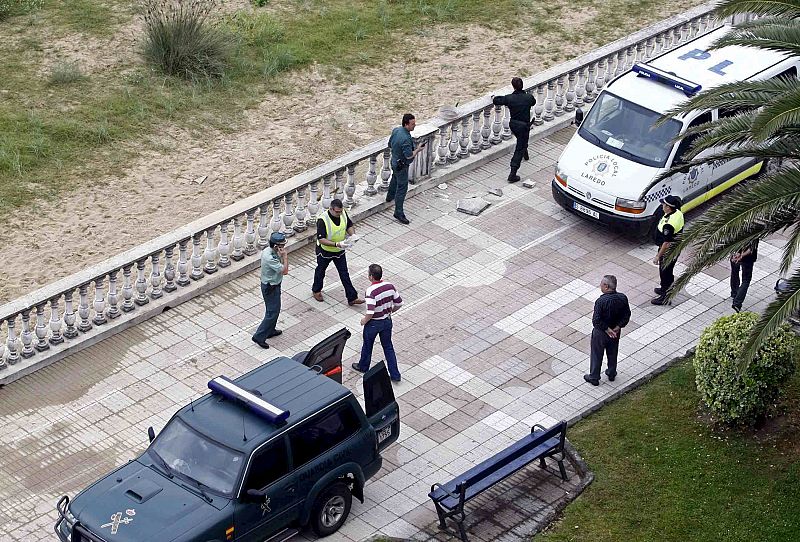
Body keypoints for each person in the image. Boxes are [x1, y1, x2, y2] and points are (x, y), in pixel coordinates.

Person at [351, 264, 403, 382]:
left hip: (373, 324)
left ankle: (363, 366)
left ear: (371, 276)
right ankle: (395, 375)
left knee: (368, 345)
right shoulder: (390, 286)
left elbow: (370, 311)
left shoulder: (370, 291)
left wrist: (364, 320)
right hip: (387, 321)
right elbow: (399, 303)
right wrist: (390, 311)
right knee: (388, 347)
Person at [312, 198, 364, 305]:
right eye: (337, 212)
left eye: (340, 211)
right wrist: (336, 244)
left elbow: (349, 225)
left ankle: (352, 297)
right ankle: (316, 290)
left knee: (344, 273)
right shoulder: (323, 220)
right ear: (331, 209)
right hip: (325, 251)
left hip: (339, 250)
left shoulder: (343, 213)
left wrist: (353, 235)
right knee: (320, 271)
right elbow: (321, 239)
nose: (339, 214)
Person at [584, 275, 631, 386]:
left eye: (601, 284)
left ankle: (594, 376)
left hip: (601, 332)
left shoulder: (600, 301)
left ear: (606, 286)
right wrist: (618, 327)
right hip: (616, 331)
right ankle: (611, 372)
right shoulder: (622, 298)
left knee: (597, 354)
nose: (600, 285)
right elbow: (627, 315)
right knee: (613, 352)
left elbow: (596, 320)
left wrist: (607, 329)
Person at [492, 77, 536, 183]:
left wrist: (494, 96)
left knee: (522, 140)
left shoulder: (509, 98)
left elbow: (496, 101)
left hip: (513, 125)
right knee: (520, 147)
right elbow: (533, 102)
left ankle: (525, 153)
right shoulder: (528, 98)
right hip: (524, 126)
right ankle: (512, 174)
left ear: (513, 86)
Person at [387, 113, 427, 225]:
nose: (414, 125)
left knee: (394, 177)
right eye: (412, 124)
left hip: (394, 160)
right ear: (406, 124)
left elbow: (389, 144)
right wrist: (418, 149)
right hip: (402, 165)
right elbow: (409, 155)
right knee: (402, 188)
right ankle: (398, 212)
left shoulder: (396, 130)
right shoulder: (405, 138)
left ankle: (389, 196)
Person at [251, 232, 288, 349]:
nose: (284, 247)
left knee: (274, 310)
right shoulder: (270, 257)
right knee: (272, 312)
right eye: (282, 245)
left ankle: (270, 330)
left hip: (274, 283)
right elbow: (285, 270)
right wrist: (285, 256)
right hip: (270, 286)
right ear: (276, 246)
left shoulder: (269, 250)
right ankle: (259, 336)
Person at [651, 195, 685, 305]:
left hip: (668, 251)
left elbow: (666, 243)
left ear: (668, 207)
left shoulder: (669, 225)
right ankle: (665, 289)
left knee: (665, 272)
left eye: (664, 204)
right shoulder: (677, 212)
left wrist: (658, 256)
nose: (662, 205)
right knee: (667, 271)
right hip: (673, 248)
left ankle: (665, 297)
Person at [731, 239, 759, 312]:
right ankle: (737, 303)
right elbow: (751, 249)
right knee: (746, 280)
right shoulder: (755, 230)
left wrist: (736, 253)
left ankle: (734, 293)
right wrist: (741, 255)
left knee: (734, 273)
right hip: (747, 259)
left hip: (735, 255)